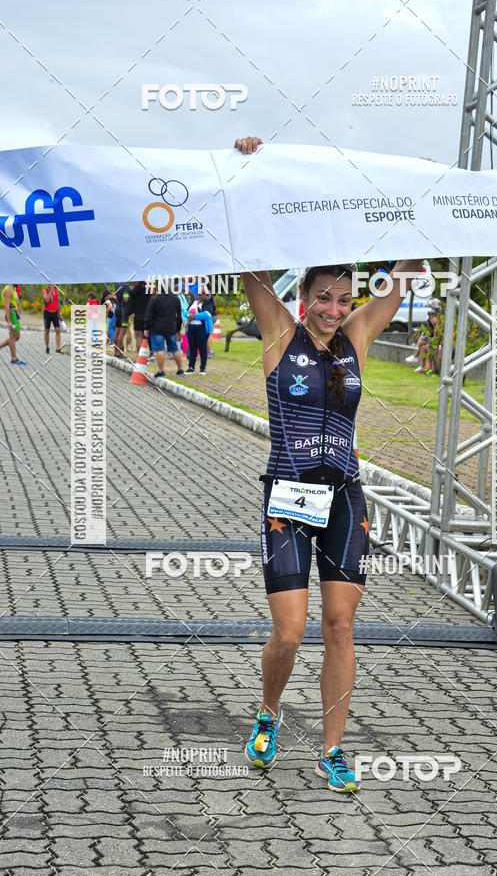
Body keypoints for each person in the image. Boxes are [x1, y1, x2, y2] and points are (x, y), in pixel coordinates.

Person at [234, 134, 425, 793]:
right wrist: (254, 169)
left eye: (343, 300)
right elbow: (250, 259)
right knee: (289, 632)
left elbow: (405, 272)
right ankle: (268, 713)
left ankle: (334, 749)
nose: (334, 310)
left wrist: (424, 192)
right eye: (324, 298)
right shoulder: (279, 333)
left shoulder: (358, 337)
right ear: (304, 295)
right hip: (286, 498)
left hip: (345, 498)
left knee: (340, 625)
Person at [143, 288, 185, 378]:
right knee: (175, 349)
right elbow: (179, 316)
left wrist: (146, 327)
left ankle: (161, 370)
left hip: (157, 328)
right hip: (171, 328)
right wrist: (178, 329)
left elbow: (148, 314)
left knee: (159, 350)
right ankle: (180, 369)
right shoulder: (175, 298)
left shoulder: (154, 299)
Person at [186, 286, 213, 374]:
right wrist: (188, 315)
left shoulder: (208, 304)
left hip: (202, 329)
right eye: (199, 294)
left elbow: (207, 314)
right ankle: (191, 367)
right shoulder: (193, 303)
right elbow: (185, 312)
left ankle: (202, 367)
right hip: (191, 328)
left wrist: (194, 316)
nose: (200, 295)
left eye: (203, 294)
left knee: (202, 348)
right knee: (192, 348)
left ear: (206, 295)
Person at [0, 283, 25, 364]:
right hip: (11, 315)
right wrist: (9, 321)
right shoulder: (8, 290)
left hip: (14, 314)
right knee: (15, 336)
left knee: (14, 337)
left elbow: (16, 303)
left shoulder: (13, 289)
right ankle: (14, 358)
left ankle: (14, 358)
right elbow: (6, 306)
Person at [124, 281, 150, 353]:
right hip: (147, 316)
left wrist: (128, 312)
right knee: (145, 337)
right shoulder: (148, 290)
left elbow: (130, 304)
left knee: (138, 337)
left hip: (137, 316)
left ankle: (140, 355)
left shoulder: (133, 291)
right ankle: (145, 355)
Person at [42, 284, 63, 354]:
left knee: (58, 330)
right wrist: (51, 290)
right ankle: (47, 347)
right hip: (47, 313)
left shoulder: (57, 291)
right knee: (47, 330)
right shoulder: (45, 290)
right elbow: (47, 300)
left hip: (55, 313)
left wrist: (60, 314)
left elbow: (58, 303)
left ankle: (58, 348)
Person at [112, 281, 131, 358]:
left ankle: (115, 352)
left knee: (116, 330)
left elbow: (116, 296)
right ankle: (119, 353)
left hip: (117, 308)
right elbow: (126, 299)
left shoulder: (117, 284)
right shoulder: (126, 285)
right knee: (122, 332)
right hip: (123, 309)